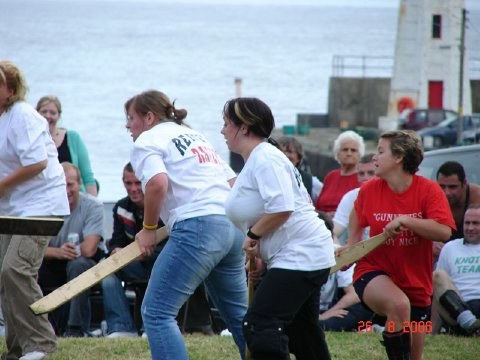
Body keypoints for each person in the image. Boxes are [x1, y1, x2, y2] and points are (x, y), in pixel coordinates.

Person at [125, 90, 247, 360]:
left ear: (148, 117)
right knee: (240, 317)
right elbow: (235, 184)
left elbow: (157, 184)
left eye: (130, 117)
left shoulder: (147, 140)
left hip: (199, 228)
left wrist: (147, 229)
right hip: (232, 228)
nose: (127, 125)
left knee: (157, 312)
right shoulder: (196, 137)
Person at [221, 97, 335, 359]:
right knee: (303, 334)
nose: (223, 130)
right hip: (299, 253)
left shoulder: (265, 158)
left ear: (245, 127)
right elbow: (266, 210)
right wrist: (260, 251)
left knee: (260, 325)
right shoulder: (260, 158)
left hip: (301, 253)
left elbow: (283, 207)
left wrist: (252, 236)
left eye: (227, 123)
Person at [346, 130, 455, 360]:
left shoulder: (429, 190)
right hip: (372, 270)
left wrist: (407, 221)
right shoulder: (369, 189)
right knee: (398, 305)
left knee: (414, 356)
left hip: (416, 282)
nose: (374, 157)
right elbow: (357, 215)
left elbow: (444, 231)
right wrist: (352, 248)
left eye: (380, 151)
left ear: (399, 157)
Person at [0, 60, 69, 360]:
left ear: (10, 91)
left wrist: (2, 185)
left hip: (42, 205)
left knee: (15, 269)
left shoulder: (23, 115)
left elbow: (38, 162)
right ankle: (17, 349)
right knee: (4, 276)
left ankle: (41, 343)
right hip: (13, 208)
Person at [38, 162, 104, 337]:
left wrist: (67, 251)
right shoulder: (44, 207)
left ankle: (75, 328)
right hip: (52, 262)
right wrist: (57, 252)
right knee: (24, 266)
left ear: (80, 184)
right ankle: (34, 327)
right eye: (61, 185)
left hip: (84, 264)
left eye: (70, 184)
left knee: (78, 265)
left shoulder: (93, 206)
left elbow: (90, 249)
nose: (66, 190)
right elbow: (32, 247)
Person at [36, 95, 97, 196]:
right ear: (36, 113)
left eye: (52, 113)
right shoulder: (32, 140)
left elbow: (87, 176)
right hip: (44, 199)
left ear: (59, 115)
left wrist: (93, 204)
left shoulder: (73, 138)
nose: (48, 116)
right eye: (44, 111)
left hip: (73, 198)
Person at [433, 204, 480, 335]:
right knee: (437, 275)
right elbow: (438, 292)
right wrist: (432, 332)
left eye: (476, 223)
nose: (470, 228)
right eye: (467, 223)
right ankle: (470, 323)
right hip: (455, 309)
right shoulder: (450, 247)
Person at [315, 130, 365, 216]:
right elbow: (318, 206)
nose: (349, 153)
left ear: (359, 155)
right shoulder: (331, 176)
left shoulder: (363, 178)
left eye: (353, 150)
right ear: (337, 153)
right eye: (345, 150)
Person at [332, 153, 375, 245]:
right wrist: (337, 250)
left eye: (371, 173)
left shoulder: (392, 195)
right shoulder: (351, 197)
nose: (365, 178)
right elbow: (333, 232)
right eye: (361, 174)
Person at [276, 135, 323, 202]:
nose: (284, 155)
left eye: (289, 151)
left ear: (298, 157)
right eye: (280, 151)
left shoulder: (310, 181)